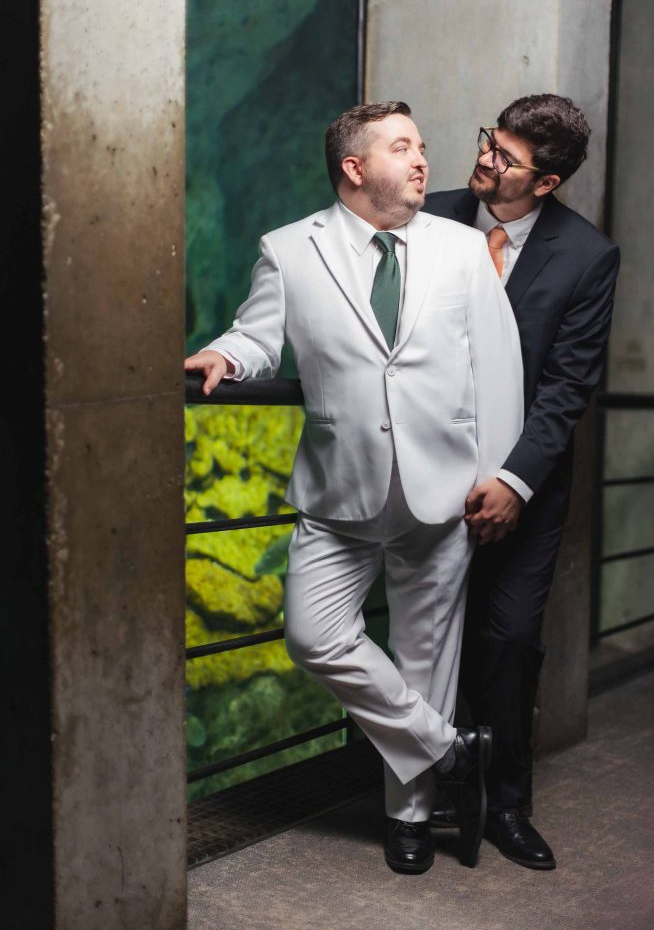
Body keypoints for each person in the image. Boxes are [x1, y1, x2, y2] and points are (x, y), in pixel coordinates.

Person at [185, 101, 524, 874]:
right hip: (338, 494)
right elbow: (257, 332)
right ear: (353, 166)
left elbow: (497, 369)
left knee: (424, 657)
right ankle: (447, 750)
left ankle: (406, 821)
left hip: (442, 493)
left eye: (420, 146)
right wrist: (225, 358)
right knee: (312, 635)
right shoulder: (288, 249)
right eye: (400, 147)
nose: (420, 160)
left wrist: (498, 477)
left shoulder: (463, 249)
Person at [423, 94, 620, 871]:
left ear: (546, 183)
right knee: (421, 639)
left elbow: (567, 388)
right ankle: (423, 791)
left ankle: (505, 804)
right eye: (487, 141)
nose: (484, 159)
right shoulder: (427, 217)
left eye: (505, 157)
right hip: (419, 475)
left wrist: (512, 480)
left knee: (505, 641)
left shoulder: (585, 256)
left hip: (524, 492)